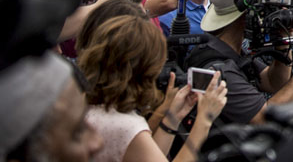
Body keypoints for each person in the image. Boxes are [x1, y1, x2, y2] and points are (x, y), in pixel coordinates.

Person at [79, 15, 228, 162]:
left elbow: (150, 155)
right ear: (144, 69)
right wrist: (204, 120)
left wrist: (174, 116)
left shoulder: (90, 107)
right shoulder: (126, 125)